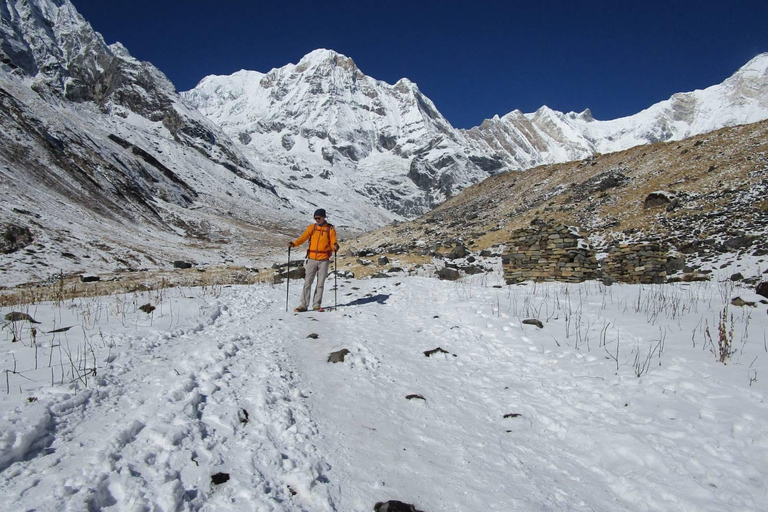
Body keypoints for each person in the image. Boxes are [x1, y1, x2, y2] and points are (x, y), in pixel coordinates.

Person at [288, 209, 339, 312]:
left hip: (324, 259)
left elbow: (333, 241)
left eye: (319, 218)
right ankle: (303, 305)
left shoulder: (330, 228)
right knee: (308, 282)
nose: (317, 220)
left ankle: (316, 305)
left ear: (324, 217)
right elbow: (303, 238)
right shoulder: (312, 227)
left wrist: (335, 246)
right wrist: (294, 244)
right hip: (312, 258)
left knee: (320, 283)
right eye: (315, 218)